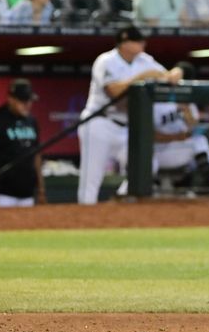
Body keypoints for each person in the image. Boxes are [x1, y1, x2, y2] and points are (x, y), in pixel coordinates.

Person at [77, 26, 183, 205]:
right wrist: (143, 77)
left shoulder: (145, 60)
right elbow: (114, 92)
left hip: (126, 127)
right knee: (92, 179)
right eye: (137, 40)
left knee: (148, 165)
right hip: (99, 123)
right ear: (124, 43)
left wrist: (176, 72)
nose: (142, 44)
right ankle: (85, 221)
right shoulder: (106, 60)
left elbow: (171, 75)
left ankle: (119, 199)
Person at [153, 61, 209, 194]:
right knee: (198, 141)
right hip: (156, 153)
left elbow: (193, 127)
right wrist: (176, 137)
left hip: (181, 150)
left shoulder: (187, 100)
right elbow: (148, 135)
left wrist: (185, 109)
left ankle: (195, 186)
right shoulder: (155, 99)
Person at [0, 79, 45, 207]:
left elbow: (37, 155)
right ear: (11, 99)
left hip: (28, 192)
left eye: (29, 100)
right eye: (23, 101)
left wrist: (41, 188)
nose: (27, 104)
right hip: (4, 193)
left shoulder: (32, 121)